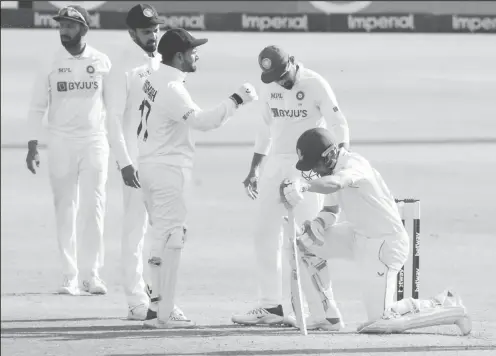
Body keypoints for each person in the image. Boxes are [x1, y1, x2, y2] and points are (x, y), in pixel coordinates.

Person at [279, 127, 472, 335]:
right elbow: (331, 210)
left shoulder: (354, 164)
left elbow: (337, 183)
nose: (314, 171)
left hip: (385, 244)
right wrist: (318, 224)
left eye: (314, 164)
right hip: (357, 235)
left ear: (328, 156)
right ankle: (325, 316)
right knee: (305, 243)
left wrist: (304, 185)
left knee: (379, 322)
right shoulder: (331, 170)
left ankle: (446, 304)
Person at [137, 28, 258, 329]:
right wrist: (236, 100)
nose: (196, 55)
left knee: (159, 238)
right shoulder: (172, 88)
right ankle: (163, 314)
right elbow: (204, 121)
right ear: (179, 56)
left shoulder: (155, 76)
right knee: (172, 238)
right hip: (168, 170)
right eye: (192, 51)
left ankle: (157, 306)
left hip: (151, 165)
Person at [232, 45, 350, 328]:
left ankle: (322, 310)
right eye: (273, 77)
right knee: (263, 234)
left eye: (283, 74)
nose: (280, 81)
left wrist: (341, 161)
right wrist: (254, 169)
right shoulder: (271, 87)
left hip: (308, 168)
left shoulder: (315, 83)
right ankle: (269, 306)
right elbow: (264, 130)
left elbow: (338, 122)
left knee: (308, 239)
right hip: (276, 164)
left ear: (293, 63)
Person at [25, 5, 128, 296]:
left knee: (94, 207)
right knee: (65, 208)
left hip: (94, 140)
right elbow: (36, 107)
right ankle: (69, 275)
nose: (64, 31)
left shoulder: (101, 61)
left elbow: (113, 110)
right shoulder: (49, 60)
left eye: (70, 26)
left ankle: (90, 275)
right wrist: (33, 144)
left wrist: (119, 148)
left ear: (84, 29)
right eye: (61, 25)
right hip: (60, 141)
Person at [104, 3, 163, 321]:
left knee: (165, 231)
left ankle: (159, 297)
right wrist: (124, 162)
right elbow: (112, 118)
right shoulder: (122, 65)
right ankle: (135, 299)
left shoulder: (160, 59)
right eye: (145, 31)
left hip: (162, 159)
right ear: (131, 33)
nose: (152, 36)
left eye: (155, 29)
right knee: (135, 230)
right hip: (137, 164)